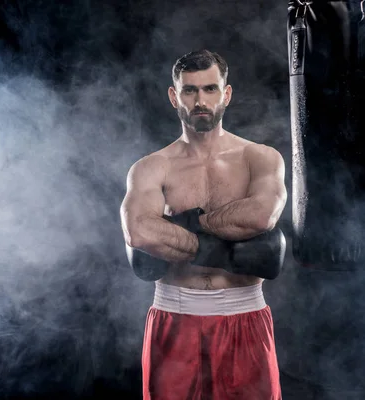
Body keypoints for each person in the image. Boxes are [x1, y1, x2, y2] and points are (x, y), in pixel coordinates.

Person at [120, 49, 287, 400]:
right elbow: (137, 231)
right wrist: (220, 244)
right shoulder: (152, 167)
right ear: (174, 96)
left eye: (210, 89)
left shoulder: (260, 157)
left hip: (245, 319)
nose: (200, 100)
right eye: (190, 90)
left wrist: (180, 229)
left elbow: (261, 215)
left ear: (226, 94)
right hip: (174, 319)